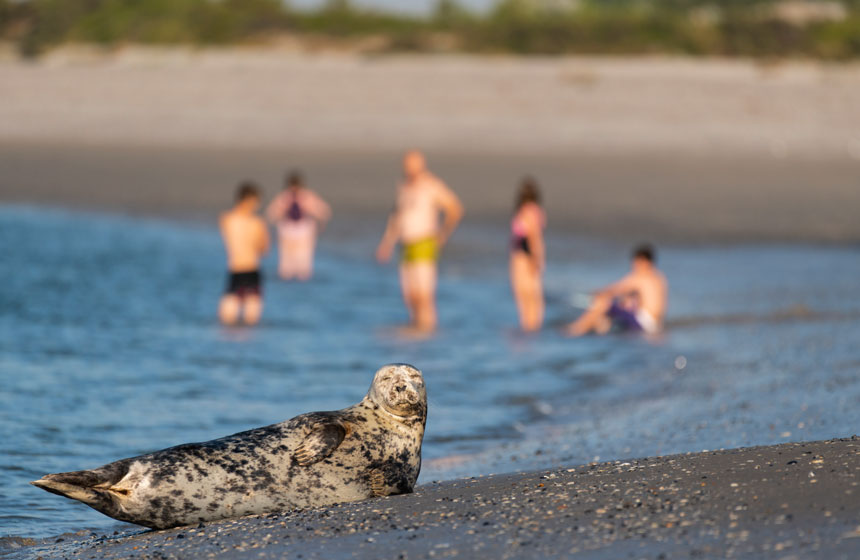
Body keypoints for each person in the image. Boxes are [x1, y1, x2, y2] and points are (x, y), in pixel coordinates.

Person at [376, 150, 464, 333]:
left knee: (425, 297)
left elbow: (455, 208)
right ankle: (416, 329)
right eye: (407, 166)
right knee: (410, 296)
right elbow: (396, 217)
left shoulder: (431, 185)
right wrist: (387, 243)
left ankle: (428, 331)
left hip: (424, 243)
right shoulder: (404, 186)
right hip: (405, 245)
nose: (409, 170)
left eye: (413, 166)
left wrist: (442, 235)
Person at [566, 244, 668, 336]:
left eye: (635, 262)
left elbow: (614, 290)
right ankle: (600, 331)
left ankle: (575, 330)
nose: (633, 266)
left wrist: (595, 293)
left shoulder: (641, 276)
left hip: (643, 322)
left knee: (602, 303)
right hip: (656, 325)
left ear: (643, 261)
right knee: (620, 305)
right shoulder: (659, 277)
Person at [218, 182, 270, 326]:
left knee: (226, 321)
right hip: (252, 271)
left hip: (235, 270)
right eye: (256, 201)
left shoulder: (226, 219)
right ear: (249, 200)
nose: (257, 205)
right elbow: (264, 249)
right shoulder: (257, 223)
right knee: (251, 322)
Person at [266, 171, 331, 281]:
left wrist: (320, 222)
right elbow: (271, 214)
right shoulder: (284, 197)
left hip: (303, 228)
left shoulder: (307, 196)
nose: (294, 188)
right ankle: (287, 277)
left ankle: (303, 277)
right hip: (287, 228)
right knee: (286, 259)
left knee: (304, 258)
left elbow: (324, 212)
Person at [510, 177, 546, 332]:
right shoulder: (535, 210)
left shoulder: (527, 211)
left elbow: (533, 237)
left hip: (523, 256)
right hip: (525, 255)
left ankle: (530, 327)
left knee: (527, 294)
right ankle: (530, 327)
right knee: (531, 294)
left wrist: (535, 259)